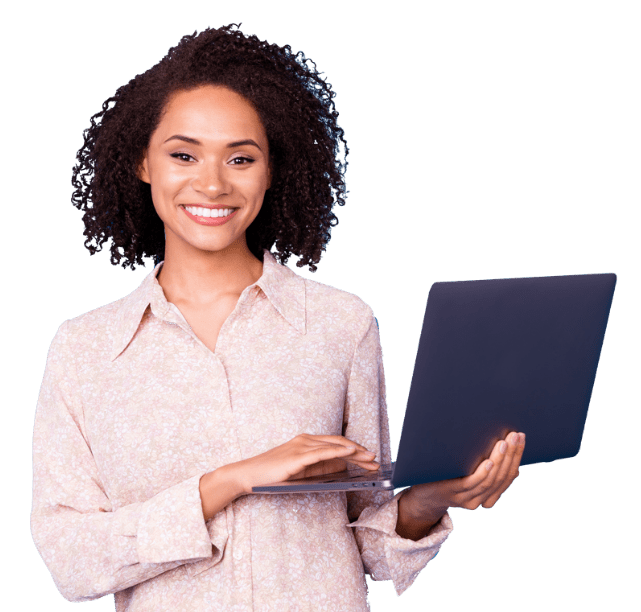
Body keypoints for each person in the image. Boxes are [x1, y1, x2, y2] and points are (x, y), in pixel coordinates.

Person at [30, 24, 525, 611]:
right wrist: (231, 481)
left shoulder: (341, 325)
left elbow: (368, 537)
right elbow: (71, 559)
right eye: (183, 154)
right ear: (143, 162)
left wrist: (429, 501)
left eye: (241, 158)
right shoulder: (86, 348)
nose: (212, 183)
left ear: (270, 172)